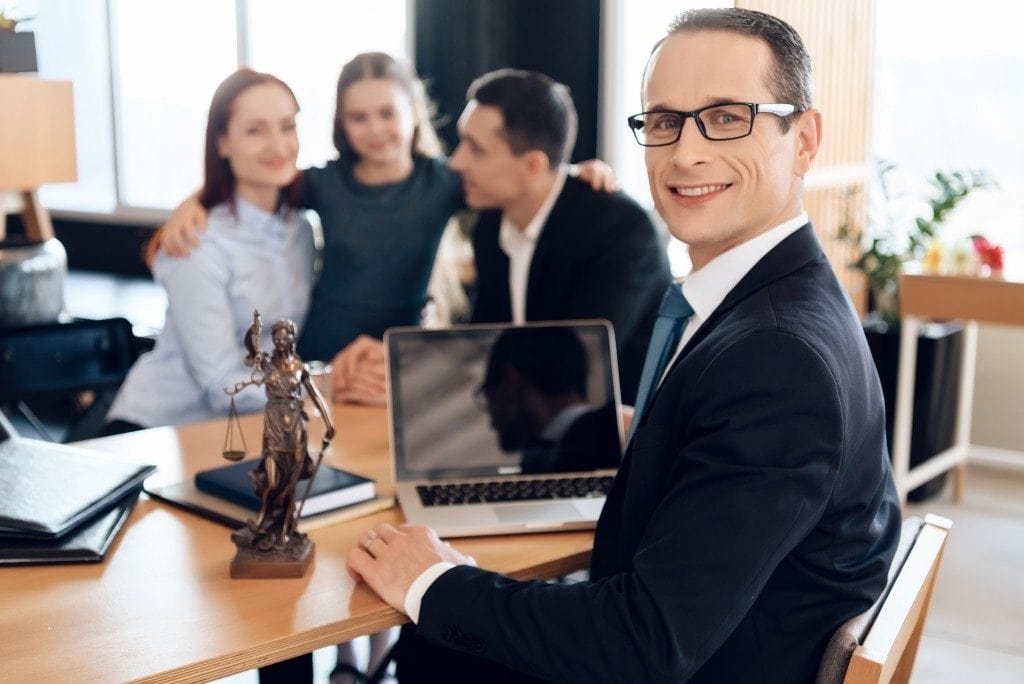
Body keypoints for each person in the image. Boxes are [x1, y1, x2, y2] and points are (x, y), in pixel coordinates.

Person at [345, 8, 902, 684]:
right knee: (431, 643)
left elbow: (643, 644)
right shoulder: (779, 298)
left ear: (805, 140)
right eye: (664, 121)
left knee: (429, 634)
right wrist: (651, 431)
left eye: (728, 117)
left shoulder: (779, 360)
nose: (685, 152)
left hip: (685, 663)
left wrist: (432, 580)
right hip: (718, 636)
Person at [156, 53, 617, 406]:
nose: (375, 130)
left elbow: (517, 174)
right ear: (342, 123)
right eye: (359, 118)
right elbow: (254, 180)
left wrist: (579, 172)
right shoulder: (322, 184)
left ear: (413, 111)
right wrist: (193, 201)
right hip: (323, 358)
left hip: (394, 361)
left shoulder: (445, 182)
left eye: (387, 114)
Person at [103, 67, 314, 434]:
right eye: (255, 130)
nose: (279, 145)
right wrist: (319, 388)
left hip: (248, 429)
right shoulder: (197, 240)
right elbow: (220, 384)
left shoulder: (301, 230)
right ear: (221, 142)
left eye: (287, 126)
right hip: (156, 433)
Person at [456, 69, 672, 405]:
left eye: (475, 149)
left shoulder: (622, 231)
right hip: (516, 424)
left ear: (532, 166)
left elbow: (574, 366)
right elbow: (483, 339)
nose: (456, 161)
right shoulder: (491, 222)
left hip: (609, 440)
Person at [229, 316, 335, 551]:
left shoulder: (300, 367)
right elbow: (250, 346)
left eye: (284, 337)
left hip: (296, 427)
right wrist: (252, 330)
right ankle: (264, 517)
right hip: (274, 426)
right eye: (276, 337)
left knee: (292, 480)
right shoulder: (266, 363)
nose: (279, 341)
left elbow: (316, 396)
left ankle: (286, 528)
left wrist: (329, 424)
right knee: (273, 479)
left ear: (291, 339)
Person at [477, 326, 619, 475]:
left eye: (487, 393)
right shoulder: (622, 432)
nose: (492, 424)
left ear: (510, 381)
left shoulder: (620, 436)